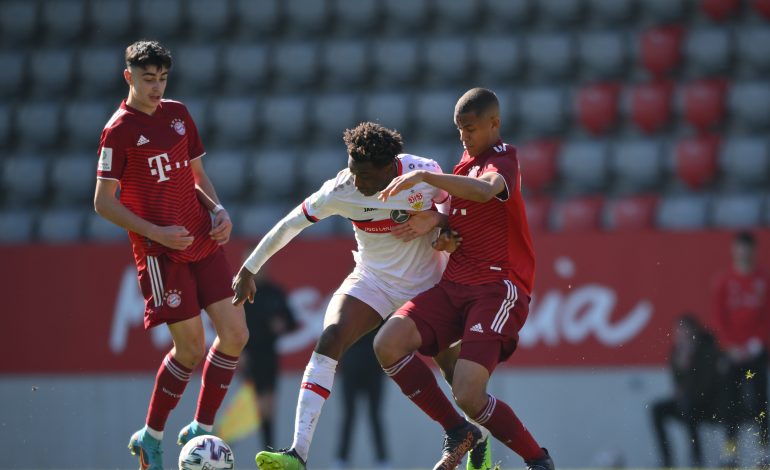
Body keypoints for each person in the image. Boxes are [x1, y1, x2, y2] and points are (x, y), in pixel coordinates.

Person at [232, 121, 490, 470]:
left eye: (366, 175)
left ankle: (477, 441)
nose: (357, 181)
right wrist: (249, 268)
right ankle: (297, 453)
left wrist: (435, 220)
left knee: (455, 373)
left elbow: (457, 211)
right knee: (330, 336)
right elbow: (290, 224)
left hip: (429, 286)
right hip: (373, 280)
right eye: (353, 171)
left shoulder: (422, 172)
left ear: (389, 168)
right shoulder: (341, 188)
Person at [373, 87, 554, 470]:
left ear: (494, 123)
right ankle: (459, 432)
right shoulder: (461, 167)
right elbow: (457, 223)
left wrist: (426, 177)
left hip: (497, 287)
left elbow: (488, 192)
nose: (464, 137)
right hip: (455, 285)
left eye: (470, 129)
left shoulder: (504, 159)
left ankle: (538, 460)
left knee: (470, 394)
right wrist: (442, 229)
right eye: (459, 130)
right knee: (388, 343)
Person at [93, 40, 248, 470]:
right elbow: (103, 203)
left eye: (162, 78)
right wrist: (155, 231)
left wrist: (218, 210)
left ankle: (201, 428)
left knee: (236, 333)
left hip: (202, 237)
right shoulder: (118, 130)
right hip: (161, 253)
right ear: (129, 77)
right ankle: (152, 437)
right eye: (147, 79)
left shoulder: (178, 114)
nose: (156, 87)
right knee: (190, 350)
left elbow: (196, 175)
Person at [712, 231, 770, 466]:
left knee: (759, 402)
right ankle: (731, 452)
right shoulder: (724, 281)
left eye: (747, 248)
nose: (743, 253)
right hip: (733, 355)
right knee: (730, 404)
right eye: (739, 248)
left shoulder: (764, 280)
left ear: (754, 251)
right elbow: (718, 318)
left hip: (755, 354)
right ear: (733, 251)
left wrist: (756, 343)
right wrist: (730, 346)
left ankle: (764, 450)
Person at [650, 314, 722, 468]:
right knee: (657, 409)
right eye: (678, 332)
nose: (681, 336)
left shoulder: (707, 350)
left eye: (685, 331)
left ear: (694, 332)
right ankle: (667, 460)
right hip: (687, 402)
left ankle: (697, 459)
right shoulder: (677, 352)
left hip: (709, 404)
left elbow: (706, 385)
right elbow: (678, 384)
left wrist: (690, 366)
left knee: (689, 406)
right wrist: (682, 367)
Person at [241, 260, 298, 449]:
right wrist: (239, 352)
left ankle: (267, 450)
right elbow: (229, 326)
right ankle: (223, 443)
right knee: (252, 407)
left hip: (269, 356)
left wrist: (283, 325)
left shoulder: (276, 293)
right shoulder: (240, 293)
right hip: (248, 356)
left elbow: (292, 321)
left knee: (268, 408)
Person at [334, 329, 389, 469]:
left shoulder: (382, 308)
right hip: (351, 365)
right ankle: (341, 460)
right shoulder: (345, 307)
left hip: (374, 366)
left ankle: (382, 461)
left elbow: (388, 332)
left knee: (375, 416)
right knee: (349, 415)